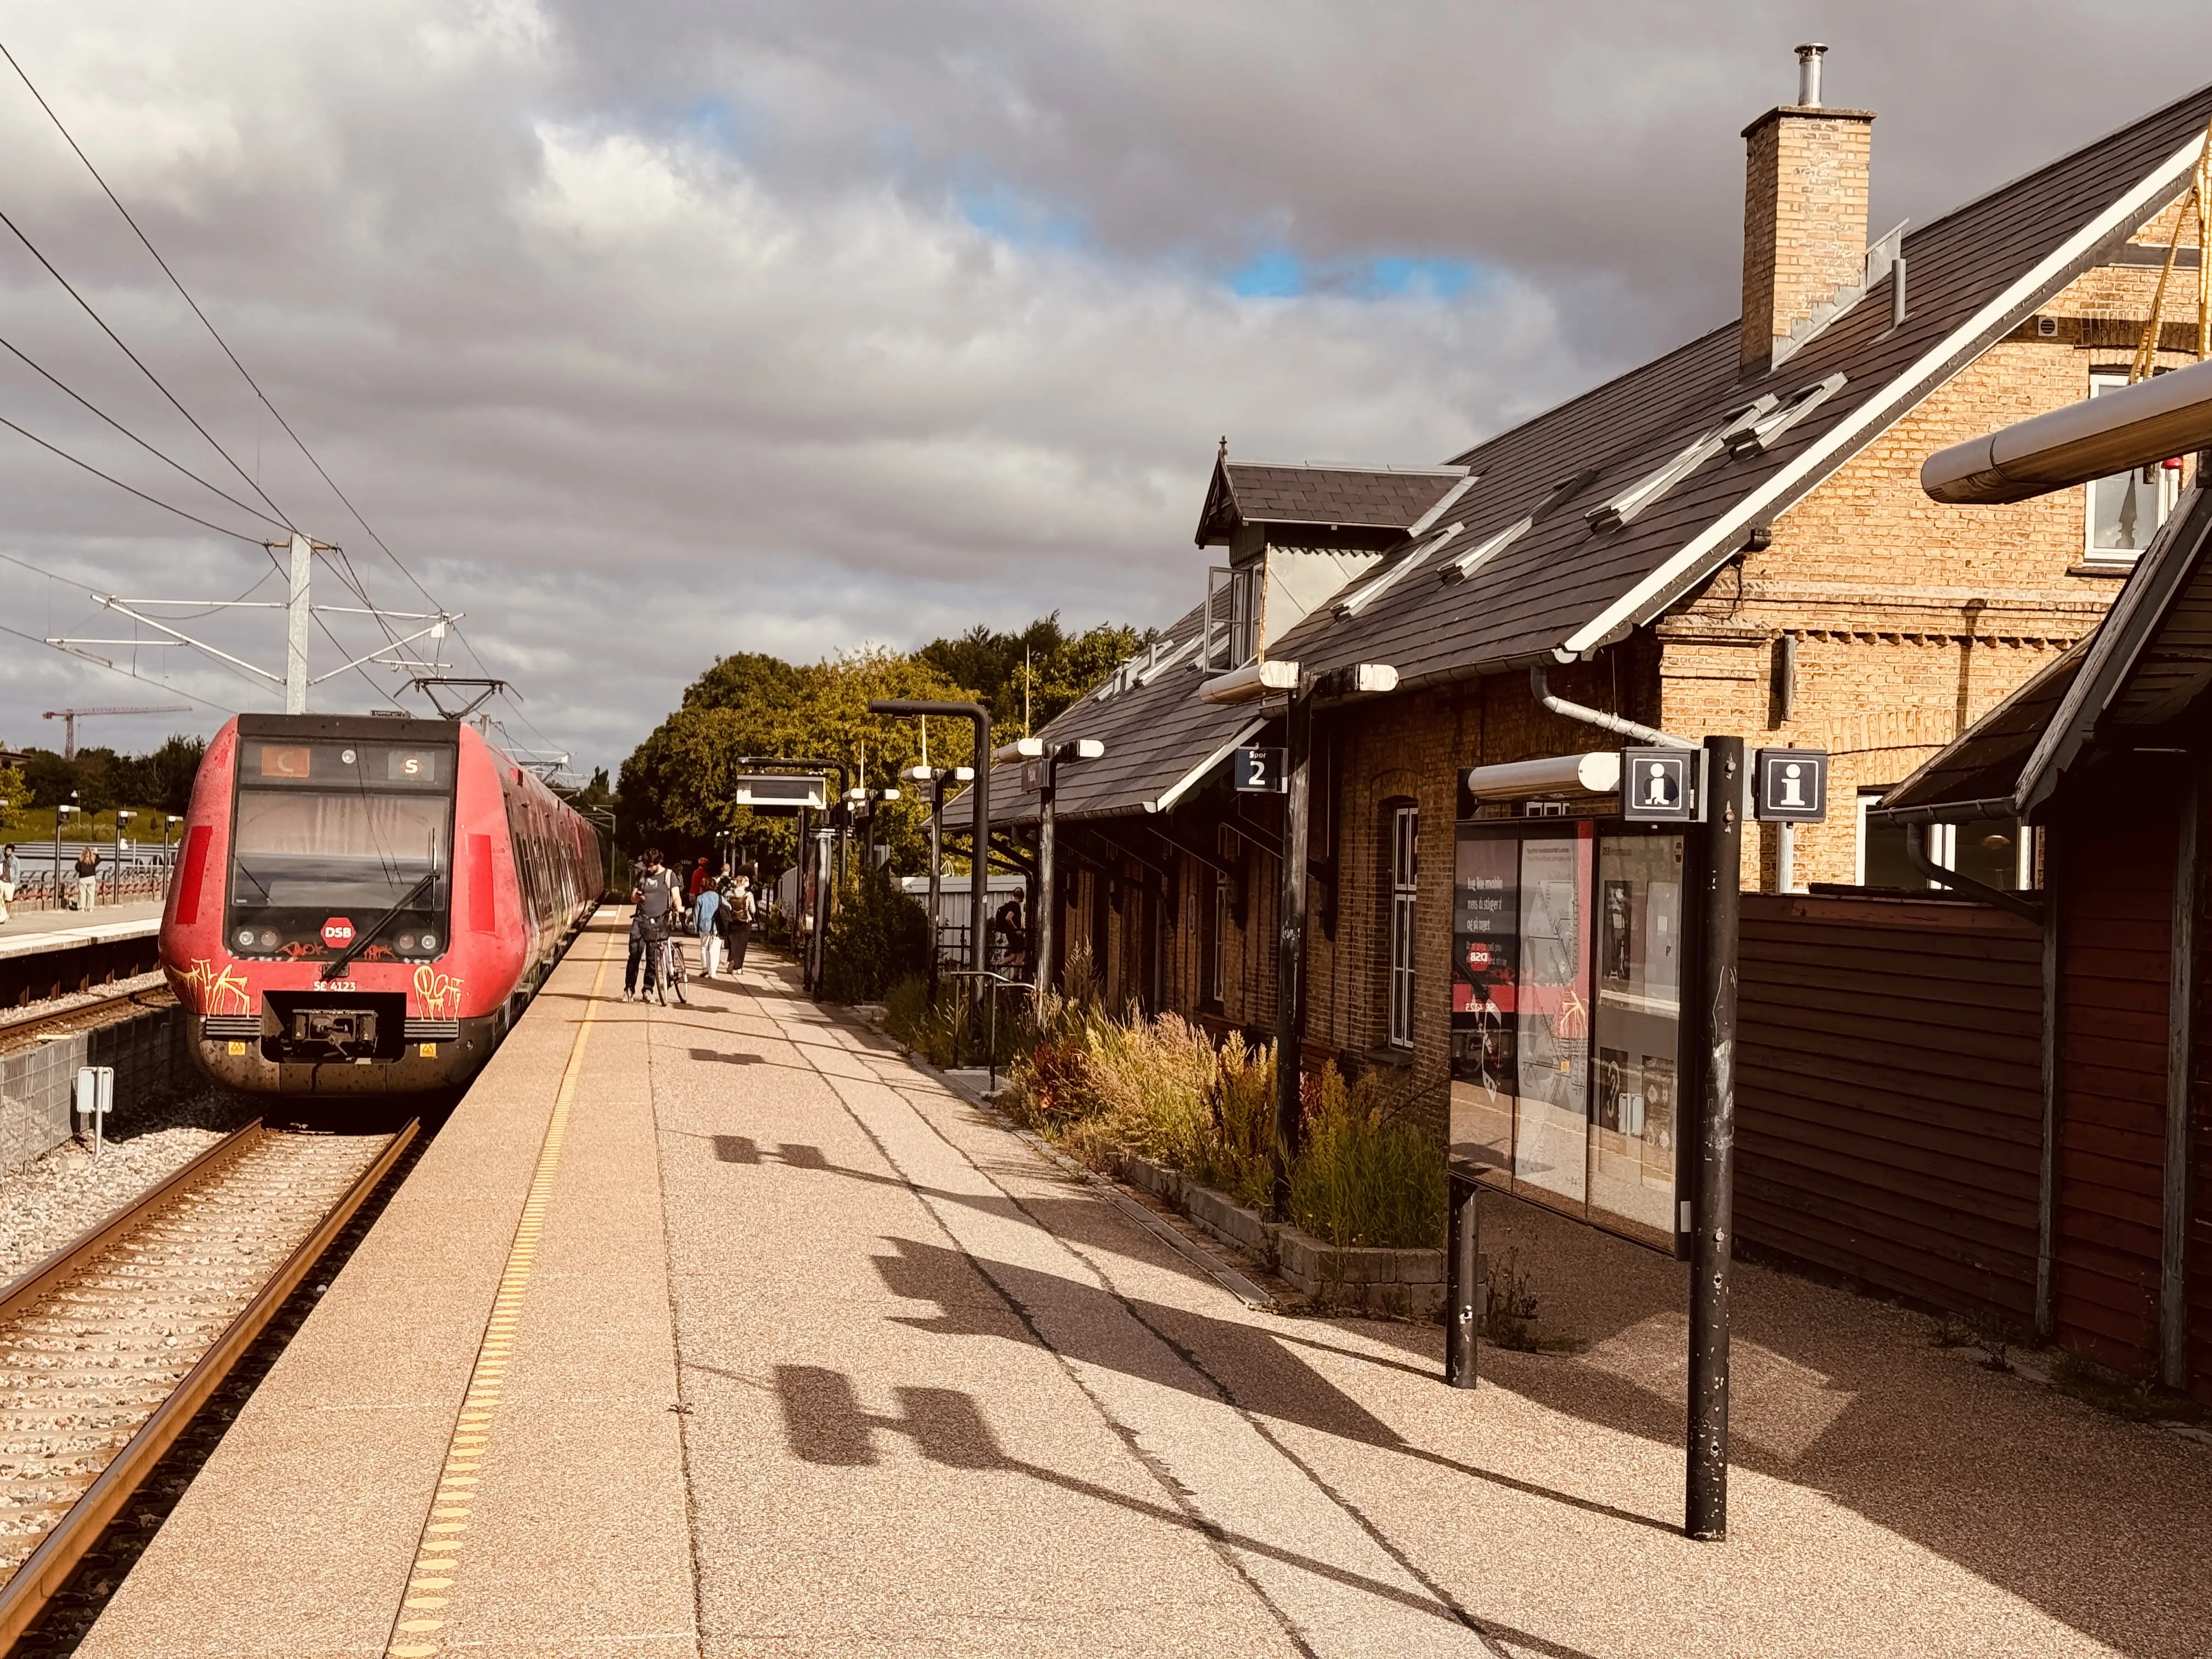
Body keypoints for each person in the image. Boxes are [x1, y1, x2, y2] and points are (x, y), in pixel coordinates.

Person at [624, 849, 680, 1001]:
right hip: (641, 920)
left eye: (651, 866)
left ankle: (648, 989)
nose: (648, 869)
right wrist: (636, 897)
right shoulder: (642, 875)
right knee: (634, 954)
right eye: (647, 866)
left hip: (659, 921)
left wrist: (679, 907)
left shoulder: (669, 876)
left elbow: (676, 896)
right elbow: (633, 898)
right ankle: (629, 988)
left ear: (659, 863)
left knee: (652, 957)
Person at [718, 873, 754, 974]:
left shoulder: (729, 893)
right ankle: (739, 968)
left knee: (733, 944)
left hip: (732, 922)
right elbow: (753, 910)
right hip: (745, 922)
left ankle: (732, 960)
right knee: (742, 946)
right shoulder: (749, 895)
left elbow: (725, 907)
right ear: (745, 884)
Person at [695, 873, 723, 978]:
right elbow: (728, 907)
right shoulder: (719, 897)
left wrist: (695, 927)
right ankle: (713, 972)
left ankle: (704, 967)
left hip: (704, 926)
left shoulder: (700, 898)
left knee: (704, 947)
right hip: (716, 926)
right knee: (714, 949)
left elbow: (696, 914)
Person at [74, 845, 100, 912]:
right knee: (91, 894)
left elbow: (77, 869)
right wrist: (96, 853)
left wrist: (79, 861)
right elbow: (99, 860)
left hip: (83, 879)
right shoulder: (93, 862)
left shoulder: (81, 862)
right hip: (92, 878)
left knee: (82, 894)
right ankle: (90, 908)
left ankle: (82, 908)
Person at [0, 843, 16, 925]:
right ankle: (3, 916)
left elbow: (17, 871)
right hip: (2, 881)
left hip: (10, 882)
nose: (8, 852)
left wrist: (15, 882)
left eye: (10, 850)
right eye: (7, 850)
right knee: (1, 899)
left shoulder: (15, 860)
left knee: (8, 900)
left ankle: (7, 915)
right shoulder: (2, 858)